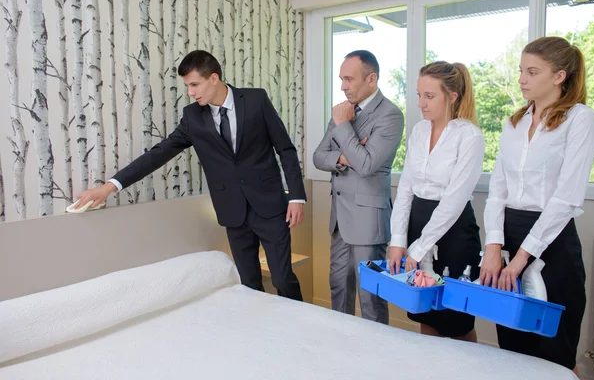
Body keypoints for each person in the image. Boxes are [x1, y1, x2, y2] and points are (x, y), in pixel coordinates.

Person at [75, 50, 306, 301]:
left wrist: (296, 196)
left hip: (270, 206)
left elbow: (285, 149)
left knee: (283, 278)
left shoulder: (255, 100)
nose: (191, 92)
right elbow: (158, 153)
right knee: (248, 283)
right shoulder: (193, 117)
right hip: (233, 211)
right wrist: (110, 187)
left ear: (214, 78)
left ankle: (300, 330)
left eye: (195, 84)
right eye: (187, 86)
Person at [479, 36, 594, 375]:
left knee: (554, 353)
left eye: (532, 72)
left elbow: (567, 198)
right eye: (521, 71)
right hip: (508, 238)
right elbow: (497, 191)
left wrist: (520, 259)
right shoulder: (513, 123)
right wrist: (493, 246)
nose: (521, 79)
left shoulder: (581, 119)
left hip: (553, 242)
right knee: (513, 348)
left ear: (559, 76)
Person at [389, 61, 484, 342]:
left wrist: (418, 249)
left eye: (429, 96)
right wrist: (398, 241)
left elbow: (453, 202)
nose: (421, 103)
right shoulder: (419, 131)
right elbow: (406, 187)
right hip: (418, 222)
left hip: (454, 232)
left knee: (455, 321)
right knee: (425, 312)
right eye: (419, 95)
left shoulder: (469, 136)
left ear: (452, 96)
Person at [313, 50, 404, 324]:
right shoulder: (343, 110)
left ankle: (374, 359)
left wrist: (342, 128)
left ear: (371, 78)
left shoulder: (390, 115)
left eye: (349, 79)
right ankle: (341, 352)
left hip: (368, 222)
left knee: (371, 298)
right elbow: (318, 156)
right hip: (339, 219)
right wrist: (343, 157)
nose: (343, 86)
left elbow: (365, 165)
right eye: (341, 79)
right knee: (338, 289)